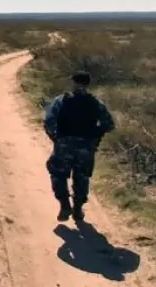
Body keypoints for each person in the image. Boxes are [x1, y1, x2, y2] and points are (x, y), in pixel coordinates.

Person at [43, 70, 116, 222]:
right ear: (88, 84)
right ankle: (77, 209)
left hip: (64, 144)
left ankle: (64, 205)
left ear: (73, 82)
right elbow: (109, 124)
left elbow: (49, 121)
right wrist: (95, 135)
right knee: (82, 177)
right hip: (86, 146)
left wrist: (55, 138)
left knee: (58, 174)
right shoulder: (96, 103)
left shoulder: (61, 100)